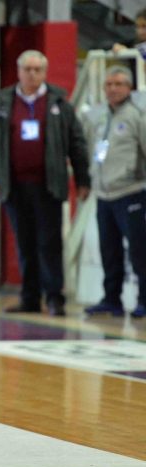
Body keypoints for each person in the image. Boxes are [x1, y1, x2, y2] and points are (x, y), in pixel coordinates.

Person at [0, 49, 90, 317]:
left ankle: (54, 298)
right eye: (27, 69)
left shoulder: (59, 102)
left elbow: (77, 143)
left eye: (37, 70)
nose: (32, 74)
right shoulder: (2, 101)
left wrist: (83, 179)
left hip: (48, 185)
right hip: (14, 185)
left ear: (44, 72)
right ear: (18, 71)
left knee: (49, 243)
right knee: (24, 243)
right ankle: (30, 298)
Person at [82, 65, 146, 319]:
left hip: (130, 192)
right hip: (104, 194)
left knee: (139, 250)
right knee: (109, 250)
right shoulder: (99, 115)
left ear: (129, 87)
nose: (113, 89)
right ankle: (111, 299)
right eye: (109, 84)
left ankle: (144, 299)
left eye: (118, 84)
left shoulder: (138, 115)